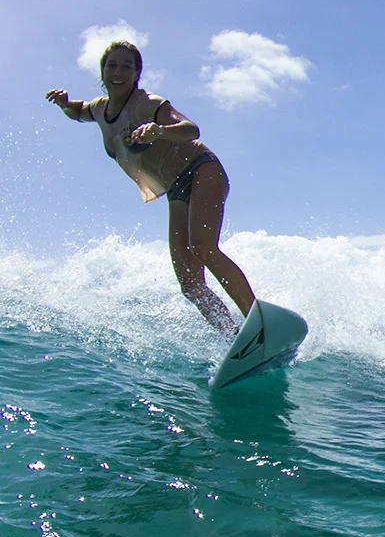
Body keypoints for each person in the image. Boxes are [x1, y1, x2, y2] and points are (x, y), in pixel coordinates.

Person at [46, 40, 255, 338]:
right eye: (112, 66)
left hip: (200, 168)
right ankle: (235, 337)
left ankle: (259, 321)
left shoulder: (148, 103)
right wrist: (65, 104)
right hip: (176, 188)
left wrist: (159, 131)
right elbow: (79, 112)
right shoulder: (99, 108)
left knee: (203, 247)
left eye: (126, 66)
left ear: (137, 74)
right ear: (102, 72)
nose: (118, 72)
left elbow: (191, 129)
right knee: (189, 283)